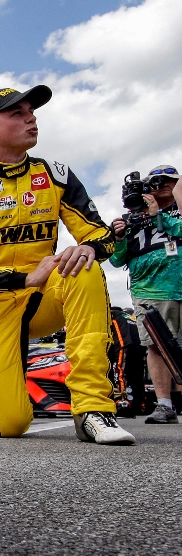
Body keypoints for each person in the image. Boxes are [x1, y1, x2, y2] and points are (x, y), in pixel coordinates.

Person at [0, 85, 135, 444]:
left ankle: (93, 408)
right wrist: (23, 277)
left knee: (84, 267)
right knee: (11, 425)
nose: (32, 117)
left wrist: (89, 247)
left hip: (45, 297)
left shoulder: (55, 174)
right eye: (17, 113)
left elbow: (102, 235)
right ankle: (14, 390)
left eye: (32, 111)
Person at [109, 165, 182, 424]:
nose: (160, 186)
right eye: (154, 182)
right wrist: (118, 237)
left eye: (167, 181)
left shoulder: (177, 211)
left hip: (178, 282)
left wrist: (158, 214)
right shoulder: (131, 218)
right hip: (149, 290)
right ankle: (164, 405)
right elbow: (117, 261)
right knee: (156, 345)